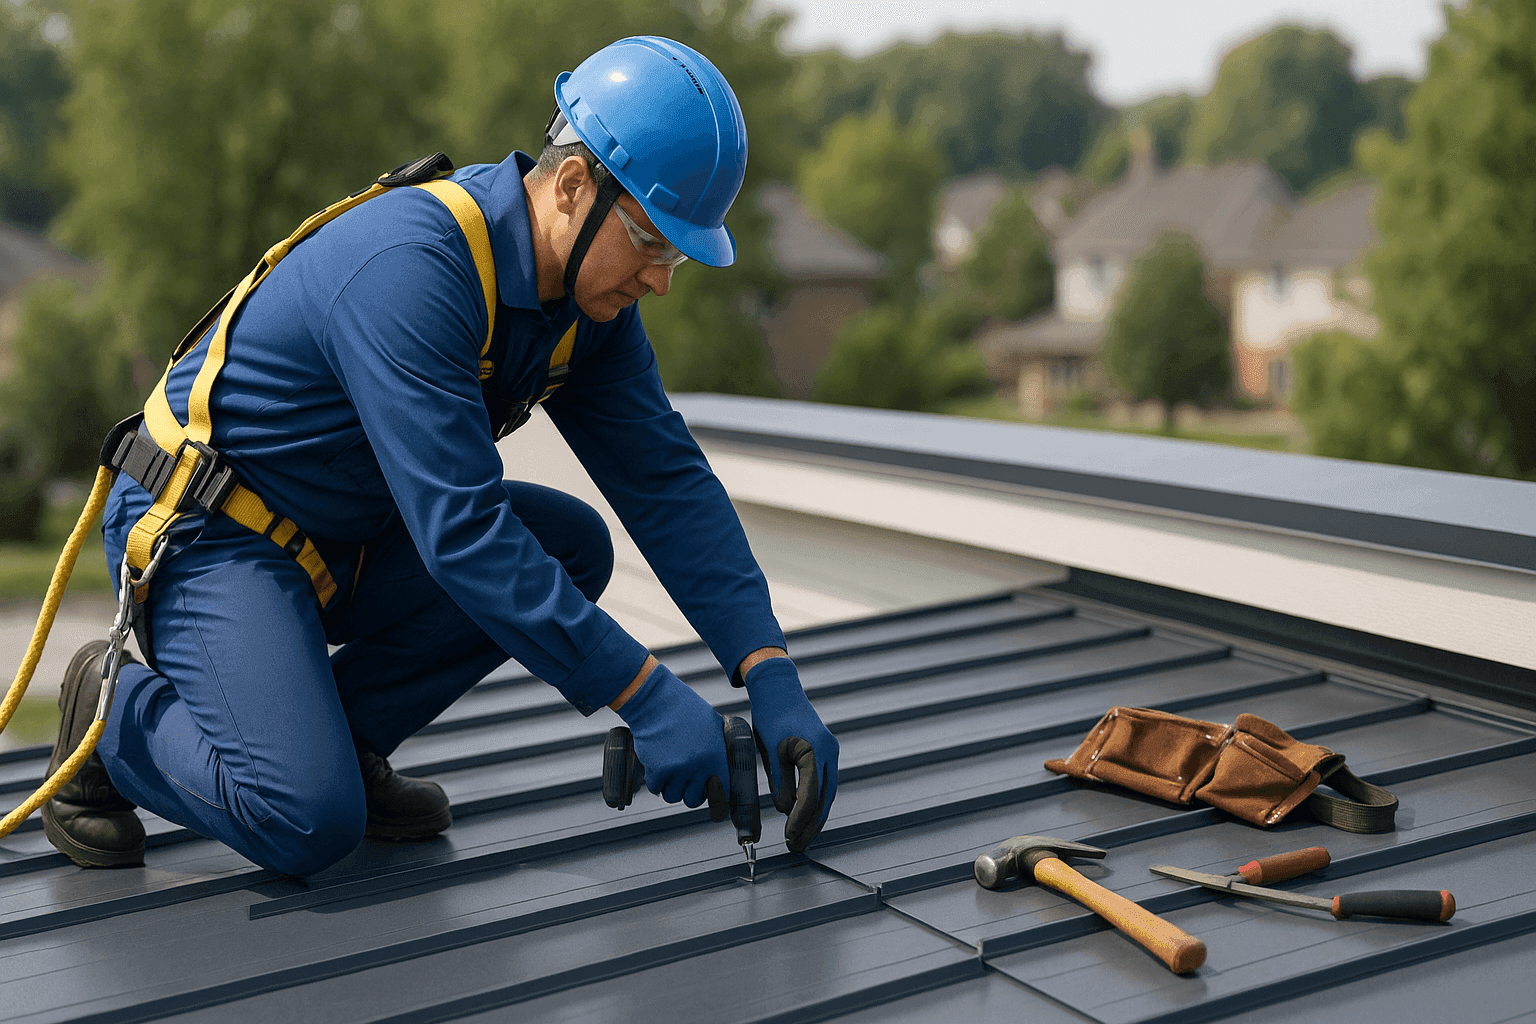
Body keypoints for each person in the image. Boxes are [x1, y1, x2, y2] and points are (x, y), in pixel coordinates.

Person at [41, 36, 839, 876]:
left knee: (572, 549)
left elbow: (667, 484)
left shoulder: (587, 313)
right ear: (573, 187)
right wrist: (643, 694)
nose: (661, 280)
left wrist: (769, 668)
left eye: (676, 255)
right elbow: (463, 534)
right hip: (211, 529)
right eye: (650, 241)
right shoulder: (413, 270)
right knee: (306, 820)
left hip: (346, 528)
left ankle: (339, 745)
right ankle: (110, 715)